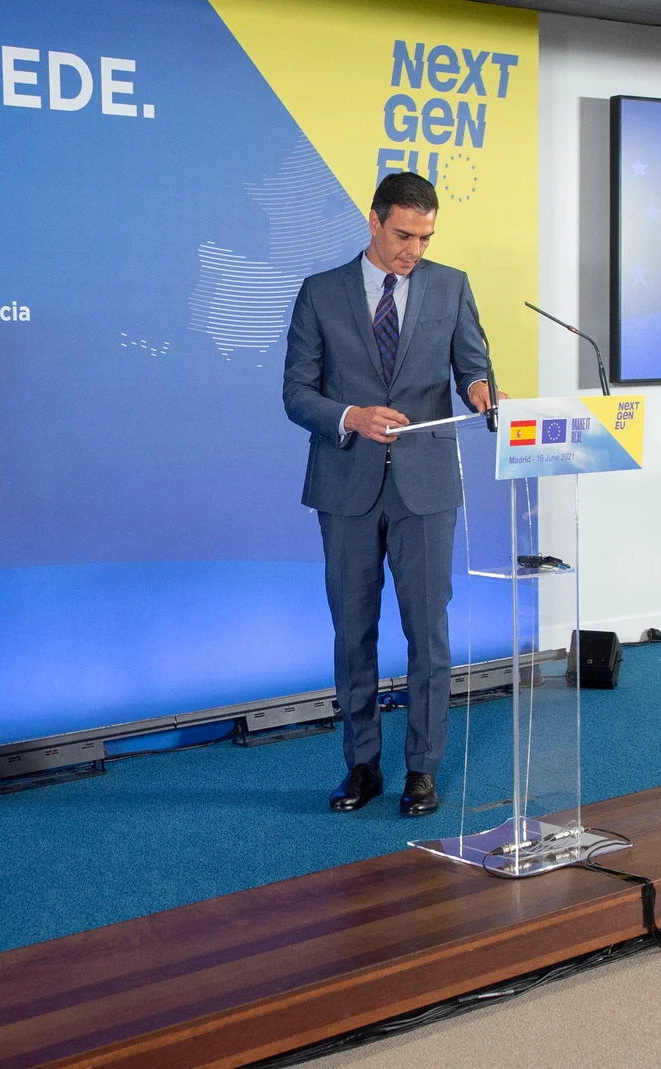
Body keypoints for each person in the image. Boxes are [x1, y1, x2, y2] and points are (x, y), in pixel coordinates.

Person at [281, 173, 497, 819]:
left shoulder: (451, 284)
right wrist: (351, 415)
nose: (413, 249)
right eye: (403, 234)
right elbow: (297, 394)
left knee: (428, 633)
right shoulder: (320, 292)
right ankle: (363, 764)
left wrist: (483, 390)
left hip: (426, 486)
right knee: (354, 633)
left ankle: (422, 769)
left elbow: (473, 365)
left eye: (425, 237)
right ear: (373, 221)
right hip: (346, 483)